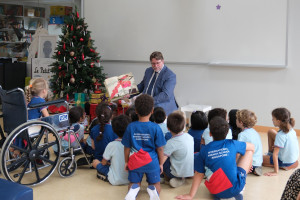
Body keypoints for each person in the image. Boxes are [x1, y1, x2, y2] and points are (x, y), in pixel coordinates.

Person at [176, 117, 255, 200]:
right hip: (235, 188)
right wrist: (249, 165)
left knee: (212, 168)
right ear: (227, 132)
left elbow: (199, 174)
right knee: (248, 151)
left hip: (216, 191)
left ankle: (223, 194)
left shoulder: (204, 150)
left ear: (210, 134)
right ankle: (238, 189)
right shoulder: (232, 143)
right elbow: (252, 147)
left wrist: (190, 195)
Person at [122, 94, 166, 200]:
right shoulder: (156, 128)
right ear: (152, 111)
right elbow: (160, 148)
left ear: (136, 111)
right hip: (151, 161)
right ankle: (153, 191)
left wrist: (127, 162)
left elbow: (126, 147)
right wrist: (160, 163)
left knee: (133, 182)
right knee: (156, 183)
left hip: (135, 160)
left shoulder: (130, 127)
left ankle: (133, 191)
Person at [92, 114, 131, 185]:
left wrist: (108, 163)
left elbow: (103, 163)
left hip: (114, 179)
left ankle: (105, 176)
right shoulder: (132, 144)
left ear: (113, 130)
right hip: (130, 179)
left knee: (95, 162)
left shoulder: (112, 144)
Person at [136, 51, 177, 116]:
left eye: (158, 63)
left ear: (163, 61)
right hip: (146, 105)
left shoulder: (170, 75)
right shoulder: (148, 70)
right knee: (132, 111)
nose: (155, 66)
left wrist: (148, 102)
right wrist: (129, 93)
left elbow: (165, 95)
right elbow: (142, 85)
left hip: (161, 106)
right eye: (153, 63)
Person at [263, 108, 299, 176]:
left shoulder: (281, 135)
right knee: (271, 131)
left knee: (259, 159)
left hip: (285, 162)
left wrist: (275, 172)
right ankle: (269, 153)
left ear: (279, 121)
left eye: (273, 118)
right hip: (293, 158)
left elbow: (275, 154)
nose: (272, 120)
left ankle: (279, 165)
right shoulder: (291, 129)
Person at [161, 112, 194, 188]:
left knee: (160, 157)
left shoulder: (171, 142)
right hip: (190, 170)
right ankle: (186, 176)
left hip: (176, 173)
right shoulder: (190, 137)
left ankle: (173, 178)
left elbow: (161, 161)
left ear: (168, 128)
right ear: (184, 126)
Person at [236, 109, 263, 176]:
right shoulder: (255, 132)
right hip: (258, 162)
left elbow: (238, 153)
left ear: (241, 122)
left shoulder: (242, 135)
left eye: (236, 119)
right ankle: (256, 168)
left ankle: (250, 168)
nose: (235, 120)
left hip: (250, 162)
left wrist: (234, 163)